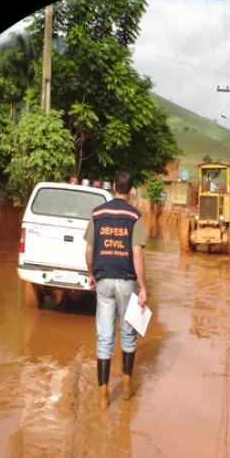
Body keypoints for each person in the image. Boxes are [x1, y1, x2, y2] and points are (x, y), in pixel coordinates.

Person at [84, 171, 147, 409]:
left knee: (104, 337)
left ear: (113, 187)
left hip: (103, 281)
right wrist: (143, 287)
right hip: (126, 281)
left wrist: (91, 274)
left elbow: (89, 251)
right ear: (131, 191)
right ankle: (128, 387)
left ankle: (103, 397)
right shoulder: (135, 216)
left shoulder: (97, 214)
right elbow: (137, 253)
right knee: (128, 334)